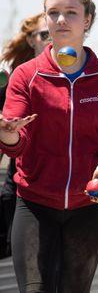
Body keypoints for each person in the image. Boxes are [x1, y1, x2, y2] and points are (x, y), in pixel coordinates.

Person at [0, 0, 98, 292]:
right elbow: (16, 143)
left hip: (88, 207)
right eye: (53, 12)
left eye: (71, 12)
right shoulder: (26, 75)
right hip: (33, 205)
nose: (61, 20)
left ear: (87, 20)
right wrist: (7, 133)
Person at [0, 13, 50, 258]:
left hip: (73, 195)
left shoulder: (83, 80)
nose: (51, 39)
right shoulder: (13, 83)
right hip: (23, 190)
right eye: (44, 34)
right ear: (31, 40)